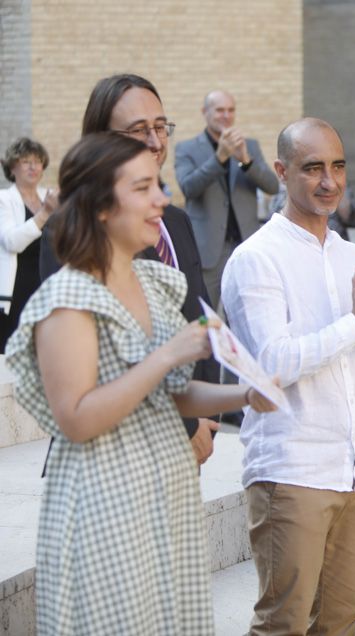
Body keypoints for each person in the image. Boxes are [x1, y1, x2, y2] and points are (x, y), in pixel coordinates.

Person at [5, 132, 275, 634]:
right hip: (106, 506)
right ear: (101, 206)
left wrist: (245, 395)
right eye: (144, 187)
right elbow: (77, 417)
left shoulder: (152, 282)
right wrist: (170, 354)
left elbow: (169, 396)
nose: (162, 199)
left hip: (166, 497)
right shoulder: (69, 298)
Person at [221, 117, 355, 635]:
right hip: (292, 471)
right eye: (313, 168)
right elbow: (273, 364)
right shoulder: (256, 258)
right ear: (282, 172)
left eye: (337, 166)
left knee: (341, 619)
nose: (329, 180)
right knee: (284, 624)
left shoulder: (353, 254)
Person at [38, 73, 222, 464]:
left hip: (184, 446)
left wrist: (206, 415)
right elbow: (101, 355)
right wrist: (186, 427)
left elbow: (199, 316)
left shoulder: (175, 221)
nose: (155, 143)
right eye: (138, 131)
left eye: (160, 127)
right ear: (99, 139)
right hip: (111, 451)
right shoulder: (71, 227)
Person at [175, 89, 280, 308]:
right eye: (220, 110)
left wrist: (246, 161)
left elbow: (272, 186)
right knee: (204, 313)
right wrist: (219, 158)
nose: (226, 115)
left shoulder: (249, 146)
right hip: (208, 250)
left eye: (231, 110)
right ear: (205, 112)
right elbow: (188, 188)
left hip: (246, 244)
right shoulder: (186, 148)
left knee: (248, 316)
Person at [0, 138, 58, 348]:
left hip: (47, 286)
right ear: (12, 167)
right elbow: (12, 242)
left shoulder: (50, 196)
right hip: (16, 290)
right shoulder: (4, 199)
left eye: (38, 161)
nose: (33, 167)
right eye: (26, 161)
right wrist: (45, 213)